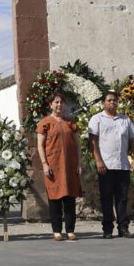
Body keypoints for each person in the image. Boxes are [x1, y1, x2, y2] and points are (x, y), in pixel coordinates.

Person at [87, 91, 134, 239]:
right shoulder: (97, 119)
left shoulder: (125, 120)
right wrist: (98, 160)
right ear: (103, 103)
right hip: (106, 165)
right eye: (109, 100)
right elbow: (93, 142)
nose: (112, 103)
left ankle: (123, 228)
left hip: (122, 165)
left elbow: (133, 142)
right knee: (106, 198)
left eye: (115, 100)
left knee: (122, 198)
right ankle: (107, 229)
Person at [35, 92, 82, 241]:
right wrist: (44, 164)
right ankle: (56, 230)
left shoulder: (70, 122)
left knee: (70, 198)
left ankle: (70, 230)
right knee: (55, 199)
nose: (59, 105)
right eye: (56, 102)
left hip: (70, 166)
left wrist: (79, 163)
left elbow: (78, 145)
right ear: (50, 105)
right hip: (53, 165)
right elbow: (40, 146)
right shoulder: (45, 122)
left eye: (61, 102)